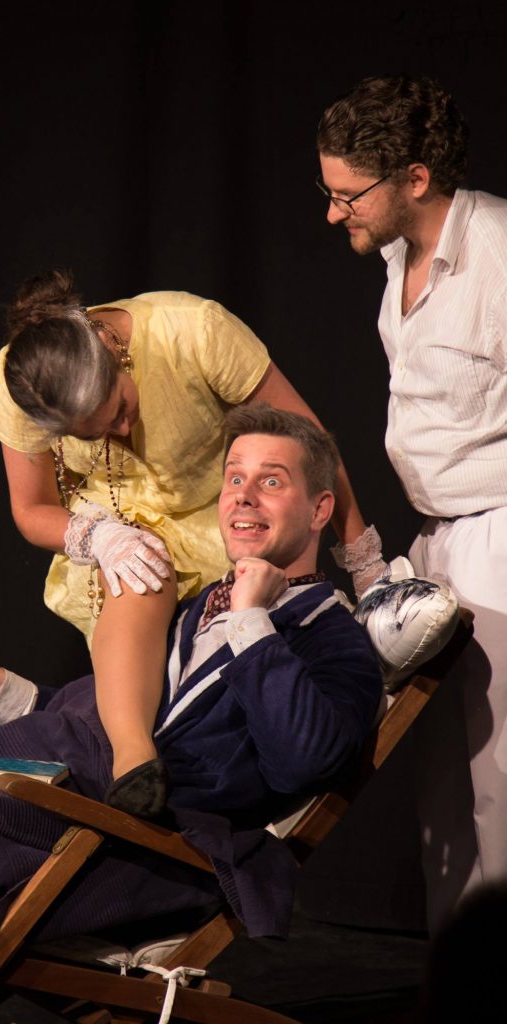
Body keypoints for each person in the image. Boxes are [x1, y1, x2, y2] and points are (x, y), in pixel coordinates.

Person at [0, 407, 382, 1023]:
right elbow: (114, 714)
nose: (244, 496)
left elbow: (305, 759)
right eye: (234, 478)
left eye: (271, 481)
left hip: (117, 836)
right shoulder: (198, 606)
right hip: (51, 783)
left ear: (320, 510)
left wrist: (250, 617)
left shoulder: (333, 640)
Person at [0, 272, 383, 815]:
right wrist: (97, 535)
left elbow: (311, 447)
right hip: (119, 553)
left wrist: (364, 563)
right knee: (141, 587)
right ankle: (133, 766)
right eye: (90, 435)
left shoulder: (192, 331)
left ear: (113, 352)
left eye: (120, 409)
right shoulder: (23, 380)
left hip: (223, 534)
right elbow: (31, 508)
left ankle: (194, 803)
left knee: (222, 709)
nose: (119, 432)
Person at [316, 74, 507, 930]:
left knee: (500, 785)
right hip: (435, 539)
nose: (333, 214)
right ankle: (455, 978)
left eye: (347, 195)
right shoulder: (397, 255)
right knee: (439, 785)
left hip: (497, 534)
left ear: (415, 179)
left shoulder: (495, 253)